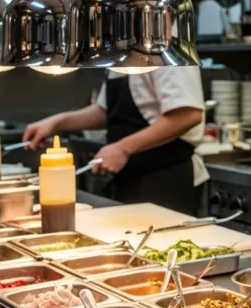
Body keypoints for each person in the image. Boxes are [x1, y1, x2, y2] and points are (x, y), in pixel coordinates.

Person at [23, 68, 207, 214]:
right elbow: (105, 111)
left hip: (165, 180)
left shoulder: (163, 43)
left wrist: (123, 149)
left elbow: (188, 114)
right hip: (130, 178)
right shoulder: (121, 50)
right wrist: (57, 122)